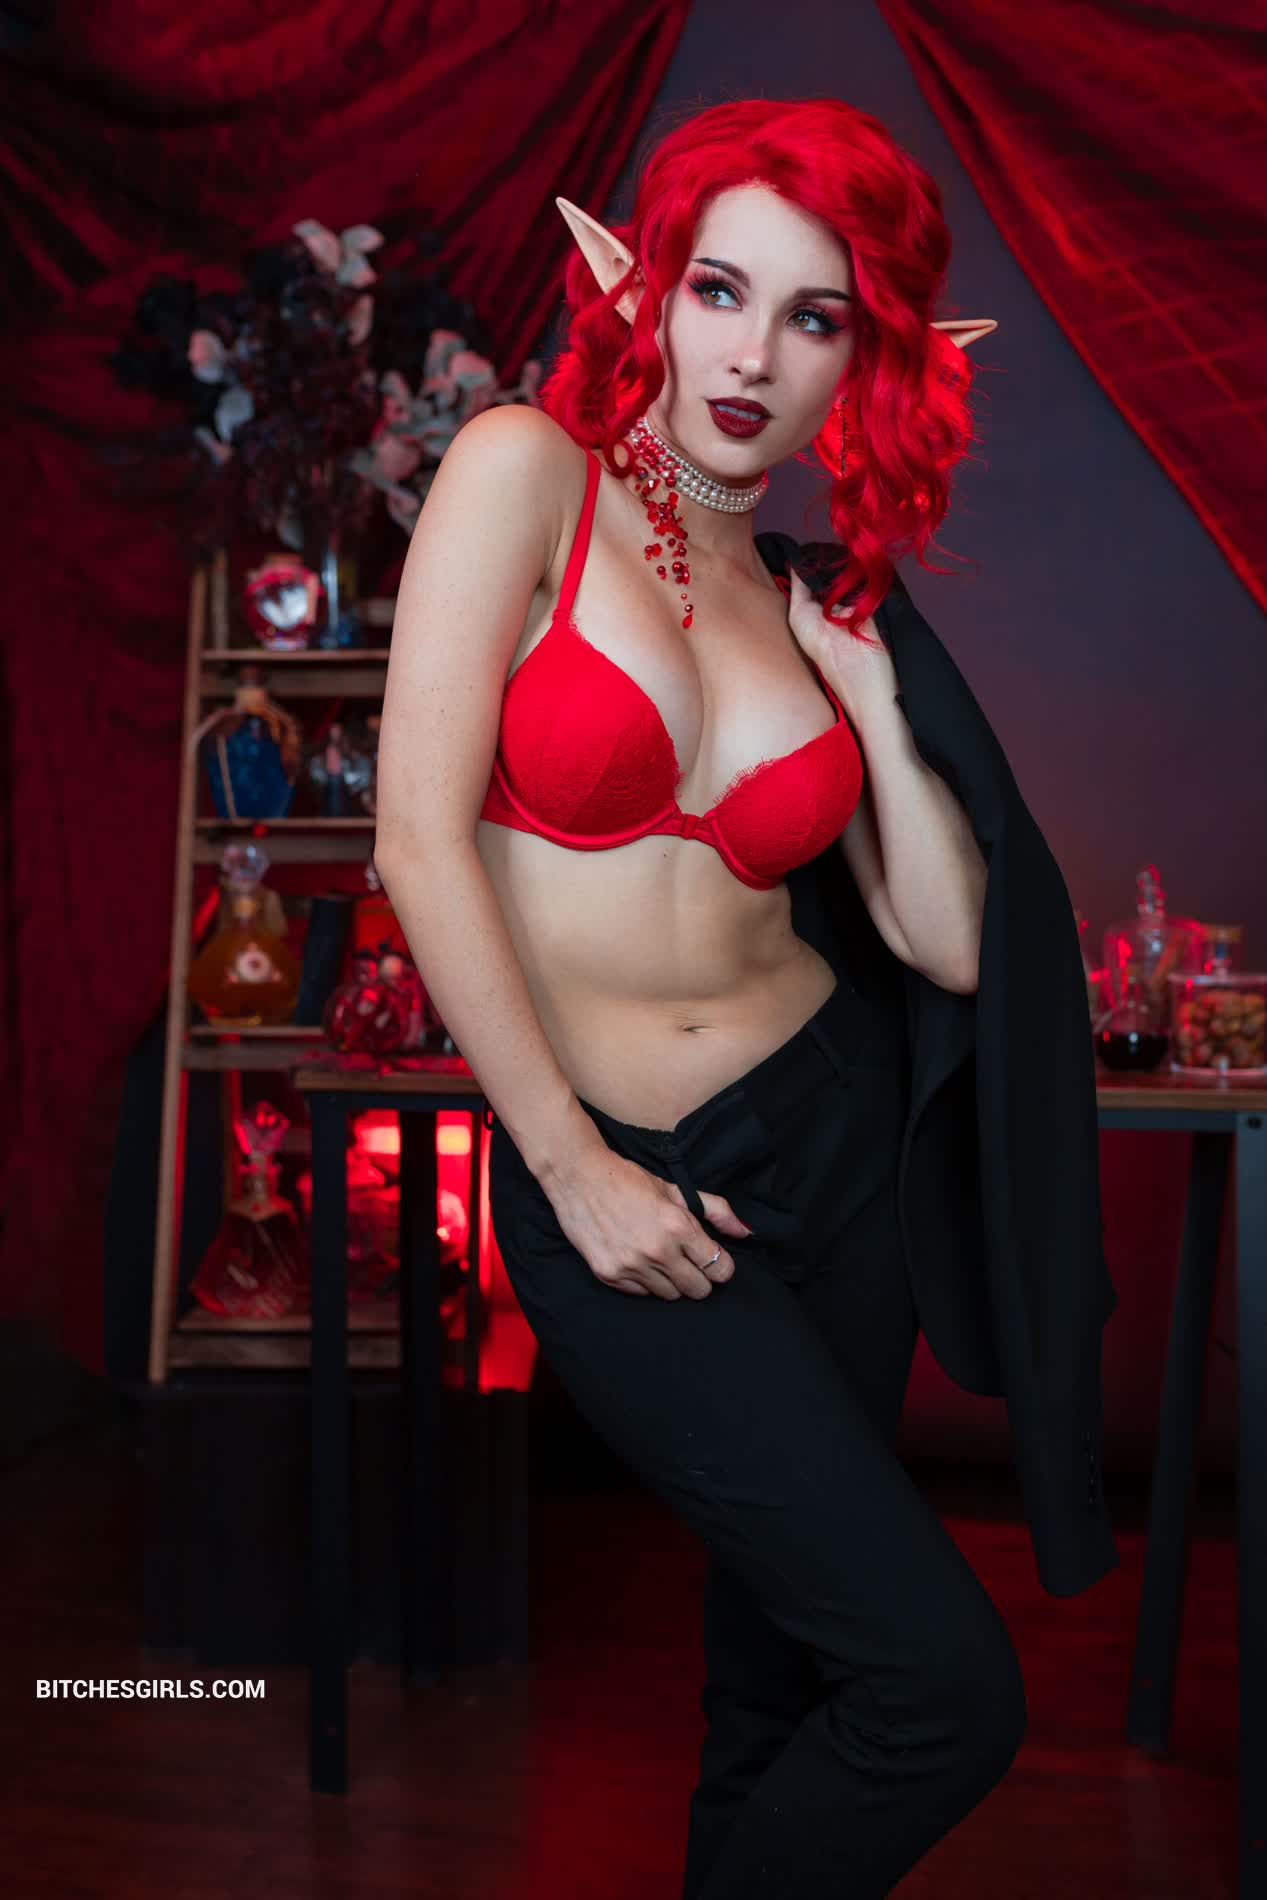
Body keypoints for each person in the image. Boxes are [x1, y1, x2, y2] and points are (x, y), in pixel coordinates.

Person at [375, 95, 1032, 1900]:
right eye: (721, 290)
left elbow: (950, 945)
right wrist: (572, 1168)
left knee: (783, 1685)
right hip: (620, 1166)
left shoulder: (802, 592)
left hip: (838, 1147)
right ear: (646, 287)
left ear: (866, 359)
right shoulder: (524, 470)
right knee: (940, 1693)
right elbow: (417, 841)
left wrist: (868, 696)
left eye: (814, 317)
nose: (752, 356)